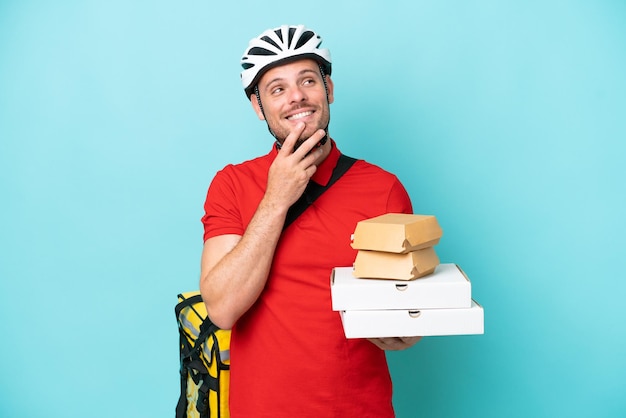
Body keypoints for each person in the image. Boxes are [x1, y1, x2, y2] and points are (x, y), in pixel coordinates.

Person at [199, 24, 421, 418]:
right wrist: (276, 198)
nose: (297, 96)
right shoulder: (231, 184)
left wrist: (406, 328)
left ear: (329, 90)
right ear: (258, 106)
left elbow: (406, 304)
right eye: (277, 88)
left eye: (307, 81)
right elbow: (221, 308)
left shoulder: (383, 189)